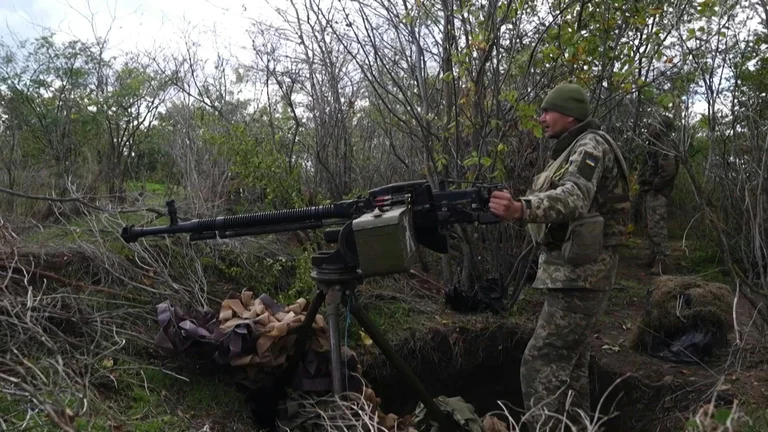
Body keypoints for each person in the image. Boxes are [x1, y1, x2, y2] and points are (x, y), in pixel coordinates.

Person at [488, 83, 630, 430]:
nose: (542, 118)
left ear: (570, 115)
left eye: (547, 112)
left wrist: (522, 209)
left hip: (582, 277)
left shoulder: (590, 146)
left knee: (541, 364)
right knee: (572, 368)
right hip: (575, 274)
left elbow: (574, 198)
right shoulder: (573, 149)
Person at [638, 115, 679, 275]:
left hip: (658, 192)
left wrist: (656, 186)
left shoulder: (664, 145)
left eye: (652, 125)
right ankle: (653, 255)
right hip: (651, 190)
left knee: (657, 226)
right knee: (650, 226)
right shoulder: (655, 144)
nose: (648, 128)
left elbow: (668, 171)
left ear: (660, 128)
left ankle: (662, 260)